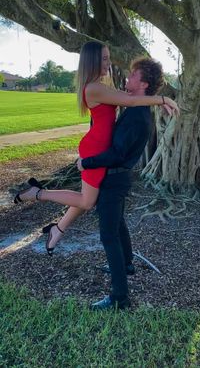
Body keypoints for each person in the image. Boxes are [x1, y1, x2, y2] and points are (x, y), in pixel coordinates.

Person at [14, 41, 179, 258]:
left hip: (101, 146)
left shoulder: (100, 86)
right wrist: (163, 99)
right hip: (95, 148)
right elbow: (131, 101)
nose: (108, 63)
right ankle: (37, 193)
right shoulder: (94, 88)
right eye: (104, 58)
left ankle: (57, 229)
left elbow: (131, 97)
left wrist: (158, 100)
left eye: (108, 58)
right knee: (87, 201)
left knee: (89, 196)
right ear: (91, 60)